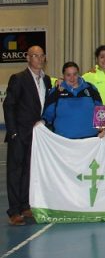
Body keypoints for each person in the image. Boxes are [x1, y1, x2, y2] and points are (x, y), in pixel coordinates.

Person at [3, 45, 50, 225]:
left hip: (38, 136)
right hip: (19, 134)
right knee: (16, 172)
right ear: (28, 58)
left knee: (29, 171)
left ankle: (24, 205)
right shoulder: (18, 79)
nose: (38, 59)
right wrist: (13, 132)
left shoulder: (46, 81)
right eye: (34, 56)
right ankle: (14, 211)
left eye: (41, 56)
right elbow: (9, 106)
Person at [43, 61, 103, 139]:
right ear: (63, 76)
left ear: (78, 74)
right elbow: (48, 114)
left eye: (75, 74)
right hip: (63, 141)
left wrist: (102, 129)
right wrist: (41, 123)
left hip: (91, 140)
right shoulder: (56, 91)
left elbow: (100, 111)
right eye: (68, 75)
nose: (72, 78)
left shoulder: (91, 88)